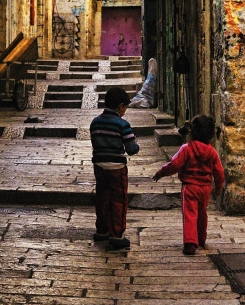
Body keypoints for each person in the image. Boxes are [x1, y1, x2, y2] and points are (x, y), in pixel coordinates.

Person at [152, 115, 225, 255]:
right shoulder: (212, 152)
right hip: (205, 188)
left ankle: (191, 243)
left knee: (190, 214)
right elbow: (219, 172)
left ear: (192, 132)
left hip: (190, 187)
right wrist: (218, 187)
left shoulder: (186, 149)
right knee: (202, 214)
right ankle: (201, 239)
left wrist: (161, 172)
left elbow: (174, 165)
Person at [89, 87, 139, 251]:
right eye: (125, 107)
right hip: (117, 168)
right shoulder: (123, 125)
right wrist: (135, 142)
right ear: (120, 106)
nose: (125, 111)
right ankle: (117, 235)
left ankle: (102, 230)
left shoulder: (95, 122)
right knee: (119, 200)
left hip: (99, 166)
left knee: (102, 197)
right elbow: (132, 149)